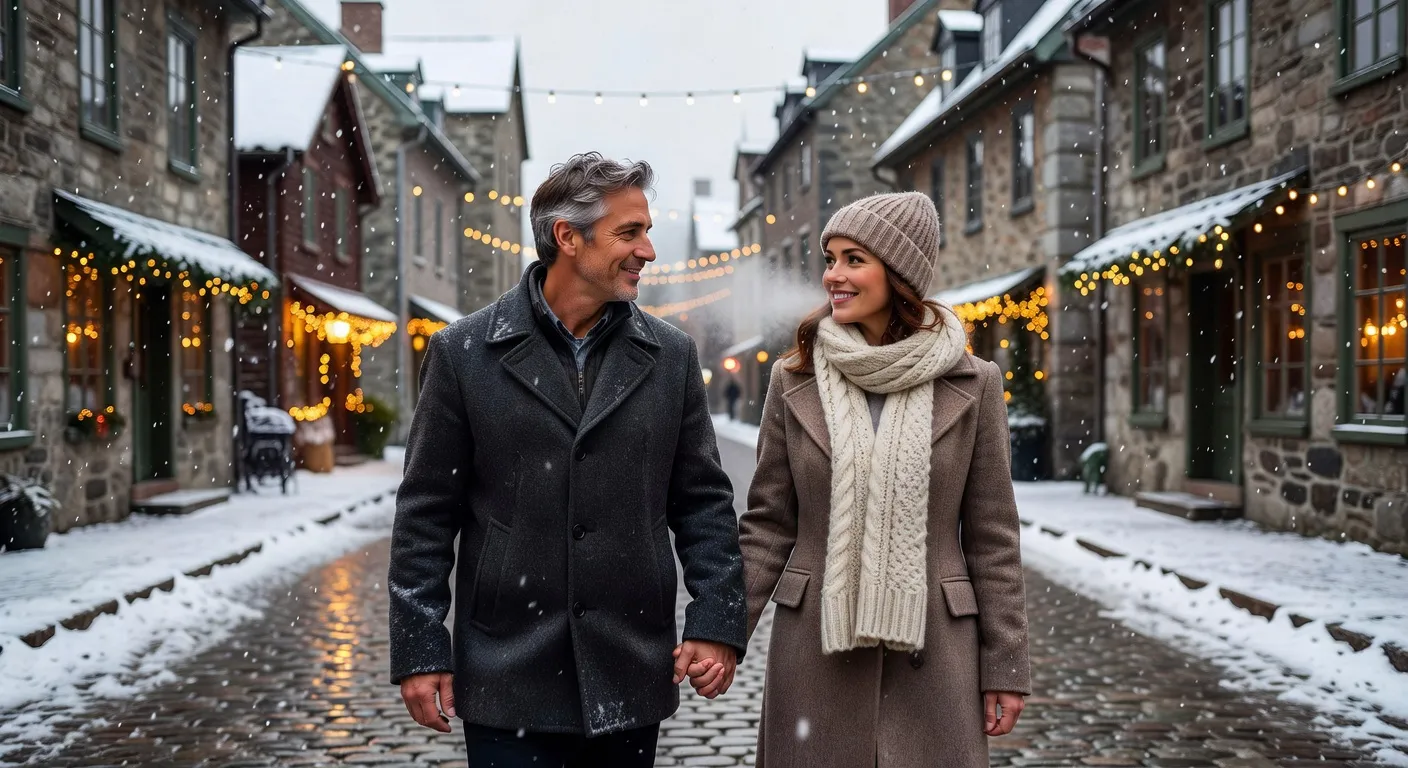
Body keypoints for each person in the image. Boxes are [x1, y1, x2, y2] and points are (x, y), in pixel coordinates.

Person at [389, 153, 748, 767]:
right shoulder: (462, 354)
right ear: (568, 237)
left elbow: (703, 505)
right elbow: (425, 514)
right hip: (506, 667)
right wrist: (421, 647)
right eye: (629, 233)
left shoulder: (672, 357)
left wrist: (716, 620)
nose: (647, 251)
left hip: (630, 664)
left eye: (646, 231)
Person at [738, 192, 1031, 767]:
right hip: (816, 648)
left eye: (854, 260)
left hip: (937, 650)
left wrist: (1005, 666)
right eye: (830, 259)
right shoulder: (793, 379)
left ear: (899, 274)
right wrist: (722, 634)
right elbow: (769, 525)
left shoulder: (975, 383)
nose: (834, 276)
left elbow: (993, 537)